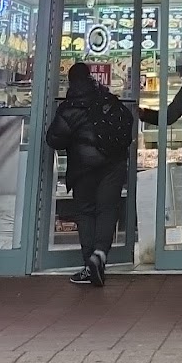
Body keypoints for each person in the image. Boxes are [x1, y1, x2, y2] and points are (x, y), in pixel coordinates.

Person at [46, 61, 133, 287]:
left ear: (71, 81)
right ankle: (100, 254)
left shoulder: (69, 107)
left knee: (85, 213)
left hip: (82, 167)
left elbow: (53, 139)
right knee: (107, 209)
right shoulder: (105, 98)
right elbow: (126, 123)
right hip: (112, 164)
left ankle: (89, 265)